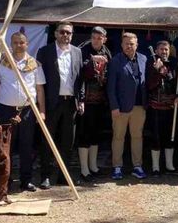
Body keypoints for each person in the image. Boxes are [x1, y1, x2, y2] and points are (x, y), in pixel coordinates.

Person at [35, 21, 84, 189]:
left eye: (68, 33)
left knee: (67, 142)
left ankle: (64, 176)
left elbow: (80, 78)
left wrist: (81, 99)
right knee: (47, 140)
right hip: (51, 103)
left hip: (70, 103)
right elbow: (38, 81)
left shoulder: (77, 52)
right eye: (62, 32)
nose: (65, 35)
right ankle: (45, 176)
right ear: (55, 34)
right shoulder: (45, 52)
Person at [0, 32, 41, 191]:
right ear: (10, 44)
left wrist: (42, 111)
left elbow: (39, 89)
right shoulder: (2, 63)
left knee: (27, 146)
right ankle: (5, 180)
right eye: (15, 43)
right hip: (5, 109)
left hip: (27, 110)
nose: (18, 45)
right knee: (6, 147)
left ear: (27, 44)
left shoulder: (35, 64)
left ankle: (26, 180)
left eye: (21, 43)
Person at [107, 32, 148, 180]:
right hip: (121, 108)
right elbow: (110, 87)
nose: (129, 46)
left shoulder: (144, 59)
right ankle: (117, 167)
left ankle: (137, 166)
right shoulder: (115, 61)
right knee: (118, 137)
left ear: (137, 44)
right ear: (121, 45)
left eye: (132, 43)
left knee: (137, 137)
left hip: (139, 106)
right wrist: (114, 106)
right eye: (126, 44)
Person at [77, 27, 112, 181]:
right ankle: (84, 169)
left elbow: (109, 74)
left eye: (100, 37)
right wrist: (93, 61)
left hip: (100, 101)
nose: (96, 40)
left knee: (96, 134)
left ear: (104, 38)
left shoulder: (107, 51)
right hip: (86, 100)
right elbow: (80, 73)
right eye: (94, 37)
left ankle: (93, 166)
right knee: (84, 134)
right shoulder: (83, 50)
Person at [146, 40, 178, 175]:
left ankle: (169, 165)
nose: (164, 52)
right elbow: (149, 85)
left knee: (170, 136)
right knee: (155, 136)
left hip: (171, 108)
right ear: (156, 51)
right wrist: (157, 71)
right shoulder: (150, 64)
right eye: (161, 49)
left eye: (166, 49)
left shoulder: (174, 64)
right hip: (155, 107)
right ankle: (155, 167)